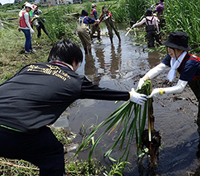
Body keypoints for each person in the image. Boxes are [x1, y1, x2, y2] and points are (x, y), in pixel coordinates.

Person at [0, 39, 147, 176]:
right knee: (52, 152)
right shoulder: (74, 81)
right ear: (74, 62)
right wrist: (129, 95)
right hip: (13, 132)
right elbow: (102, 93)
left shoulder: (30, 67)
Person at [137, 31, 200, 154]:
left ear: (180, 49)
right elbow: (159, 68)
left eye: (171, 47)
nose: (169, 50)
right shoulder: (173, 58)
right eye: (168, 47)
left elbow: (180, 88)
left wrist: (159, 91)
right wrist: (144, 78)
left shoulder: (190, 63)